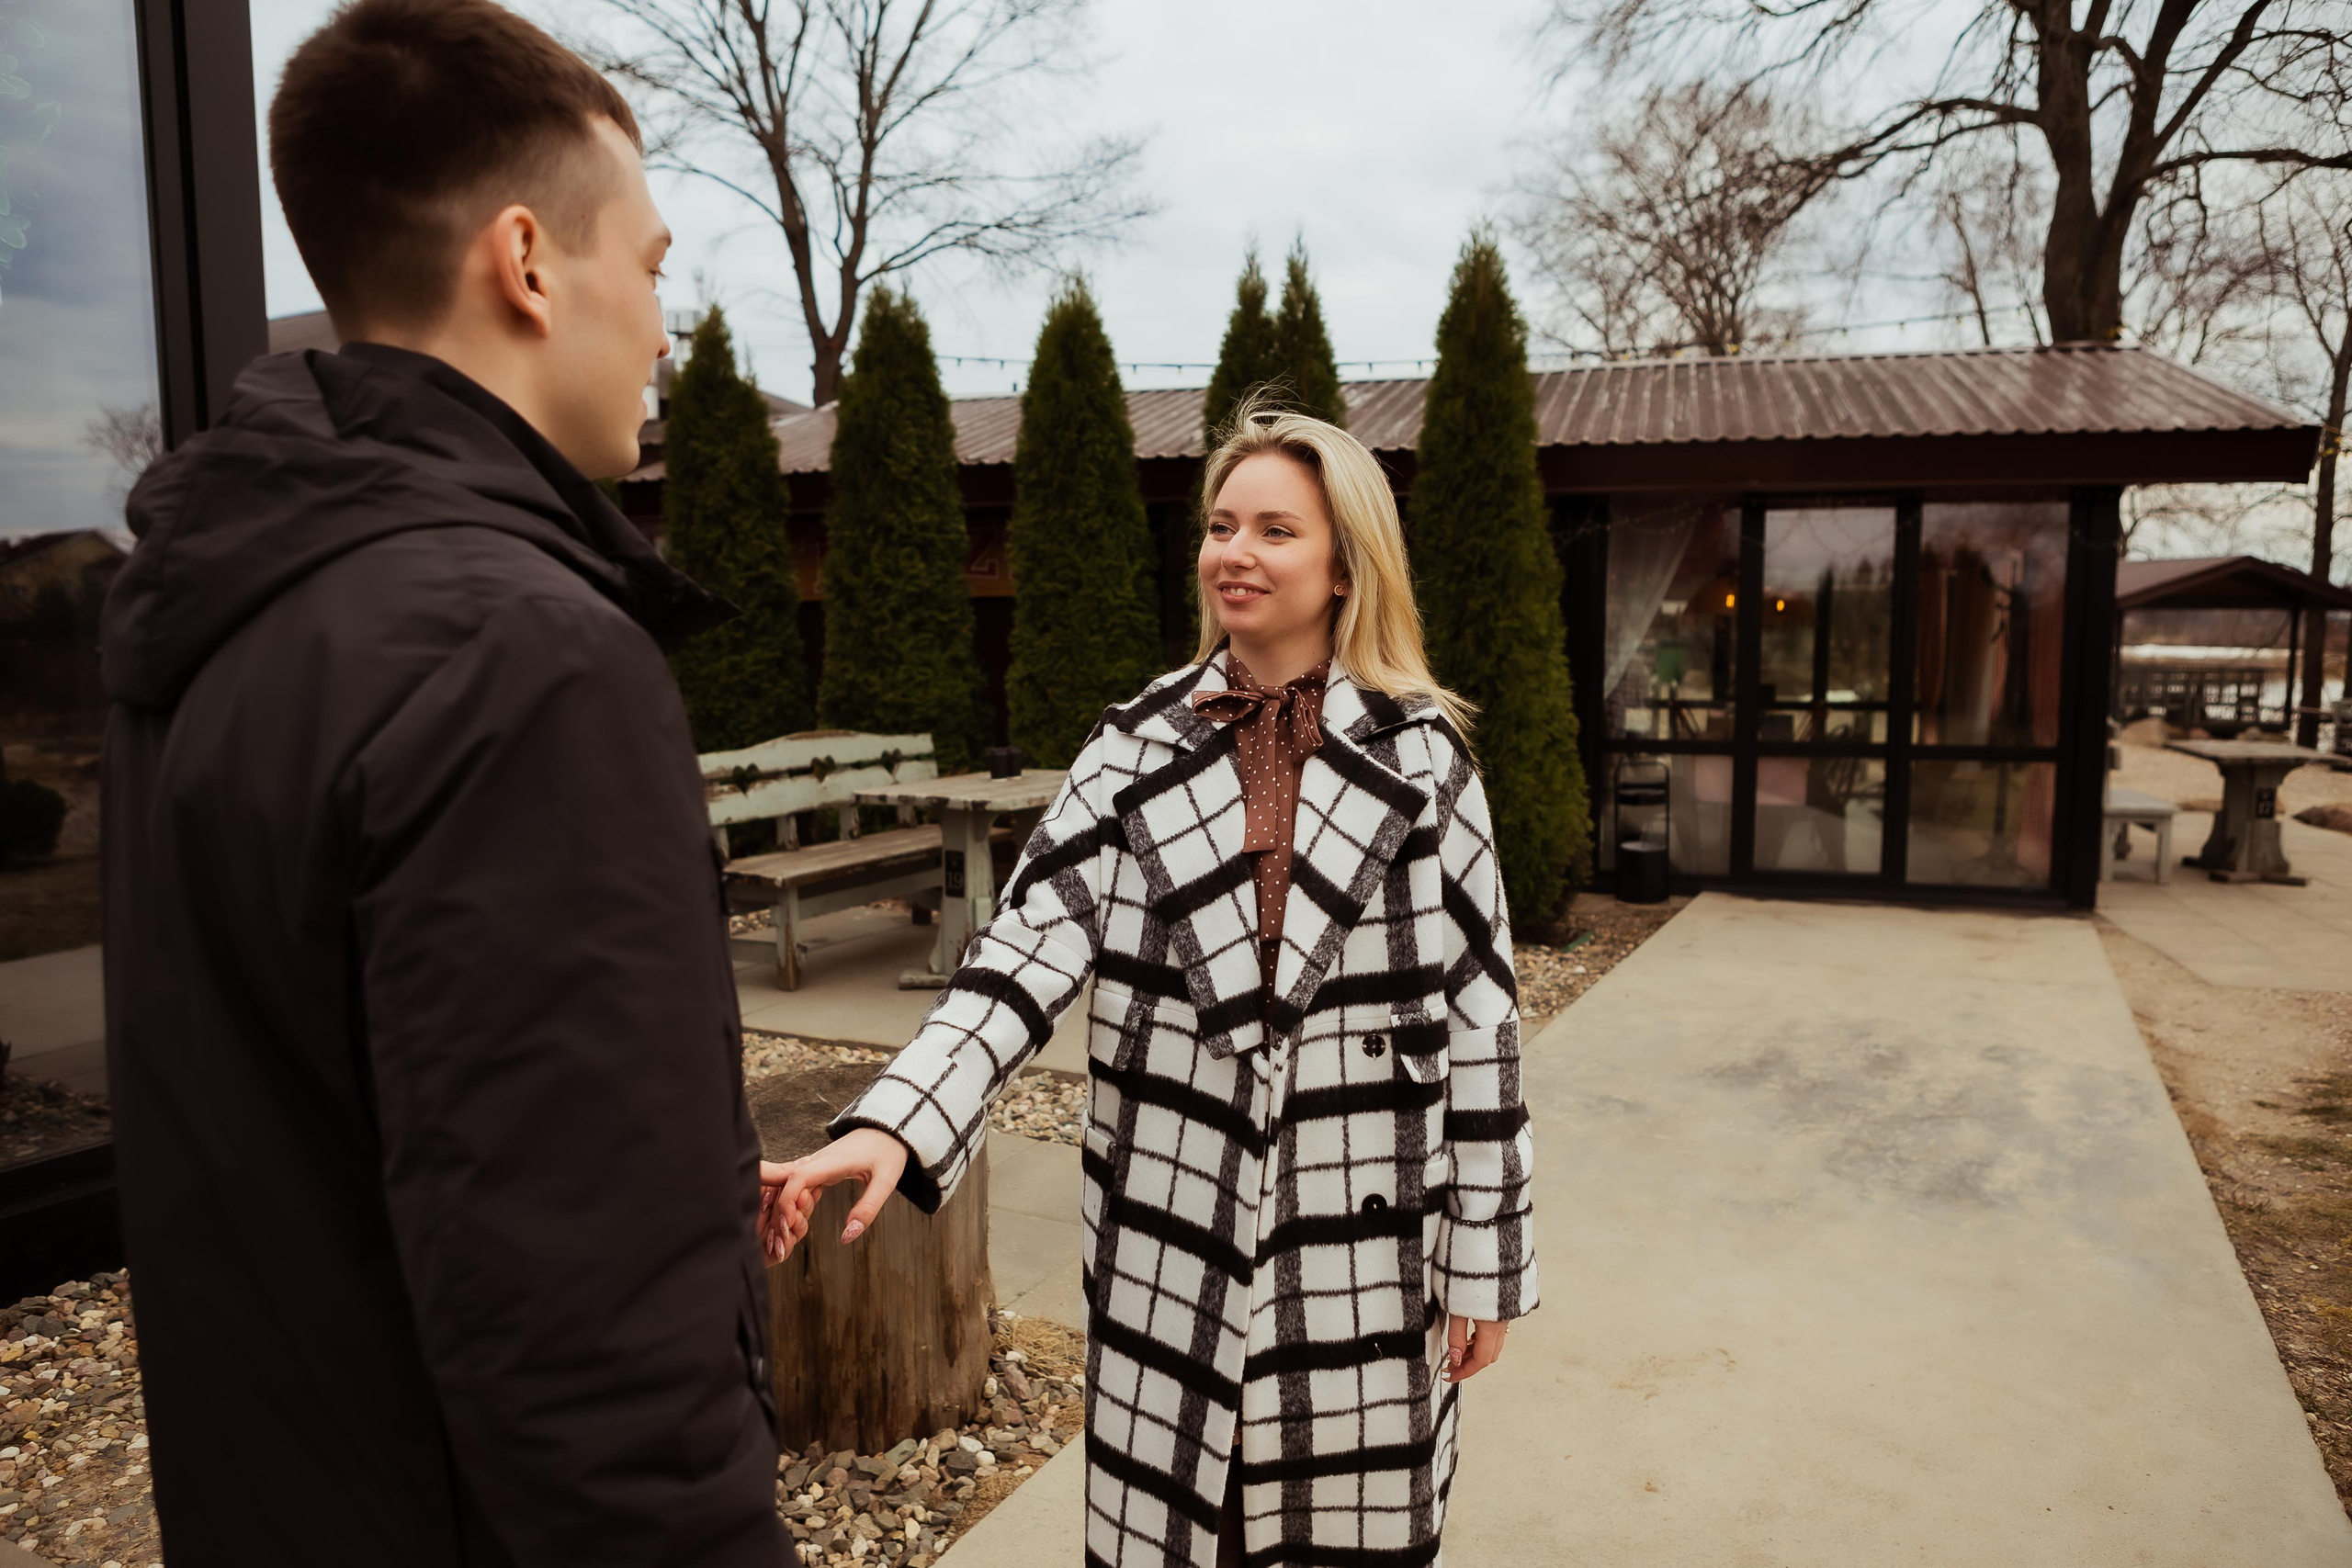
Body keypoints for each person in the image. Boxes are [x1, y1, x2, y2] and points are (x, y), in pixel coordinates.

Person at [98, 3, 798, 1562]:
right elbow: (593, 1338)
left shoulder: (221, 620)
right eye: (659, 265)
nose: (668, 324)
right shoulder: (524, 657)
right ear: (530, 260)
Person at [770, 400, 1541, 1567]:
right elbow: (1020, 954)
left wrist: (1483, 1258)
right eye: (1222, 525)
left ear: (1345, 566)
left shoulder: (1424, 757)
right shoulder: (1131, 748)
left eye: (1276, 530)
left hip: (1362, 1259)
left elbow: (1482, 1022)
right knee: (1188, 1532)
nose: (1235, 551)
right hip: (1175, 1234)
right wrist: (896, 1122)